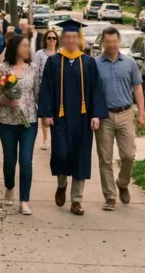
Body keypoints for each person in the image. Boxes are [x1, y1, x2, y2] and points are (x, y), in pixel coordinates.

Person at [38, 18, 108, 216]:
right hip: (60, 118)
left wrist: (96, 115)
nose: (70, 40)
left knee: (80, 157)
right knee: (60, 153)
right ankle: (61, 184)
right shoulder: (53, 62)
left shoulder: (88, 62)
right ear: (62, 39)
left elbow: (96, 90)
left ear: (79, 39)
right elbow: (47, 89)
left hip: (83, 119)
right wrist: (46, 113)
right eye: (67, 37)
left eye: (74, 37)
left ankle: (76, 200)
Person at [94, 27, 145, 211]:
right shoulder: (95, 63)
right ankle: (110, 196)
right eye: (107, 42)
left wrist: (141, 113)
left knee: (128, 155)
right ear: (102, 43)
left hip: (125, 113)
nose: (111, 45)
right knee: (105, 159)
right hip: (104, 116)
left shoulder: (129, 63)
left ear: (119, 41)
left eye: (114, 41)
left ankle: (122, 183)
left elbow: (138, 88)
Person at [0, 33, 41, 216]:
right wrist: (6, 101)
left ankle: (24, 201)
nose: (27, 49)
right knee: (10, 159)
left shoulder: (33, 69)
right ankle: (9, 186)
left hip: (29, 122)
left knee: (26, 161)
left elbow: (37, 94)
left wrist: (45, 115)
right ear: (15, 48)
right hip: (7, 121)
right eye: (24, 45)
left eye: (28, 45)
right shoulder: (3, 68)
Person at [33, 27, 58, 150]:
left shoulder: (61, 53)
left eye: (54, 38)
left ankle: (56, 139)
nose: (52, 40)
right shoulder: (40, 54)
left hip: (58, 88)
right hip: (44, 87)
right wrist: (36, 88)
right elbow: (35, 71)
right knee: (45, 113)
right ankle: (45, 139)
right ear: (45, 40)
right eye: (49, 38)